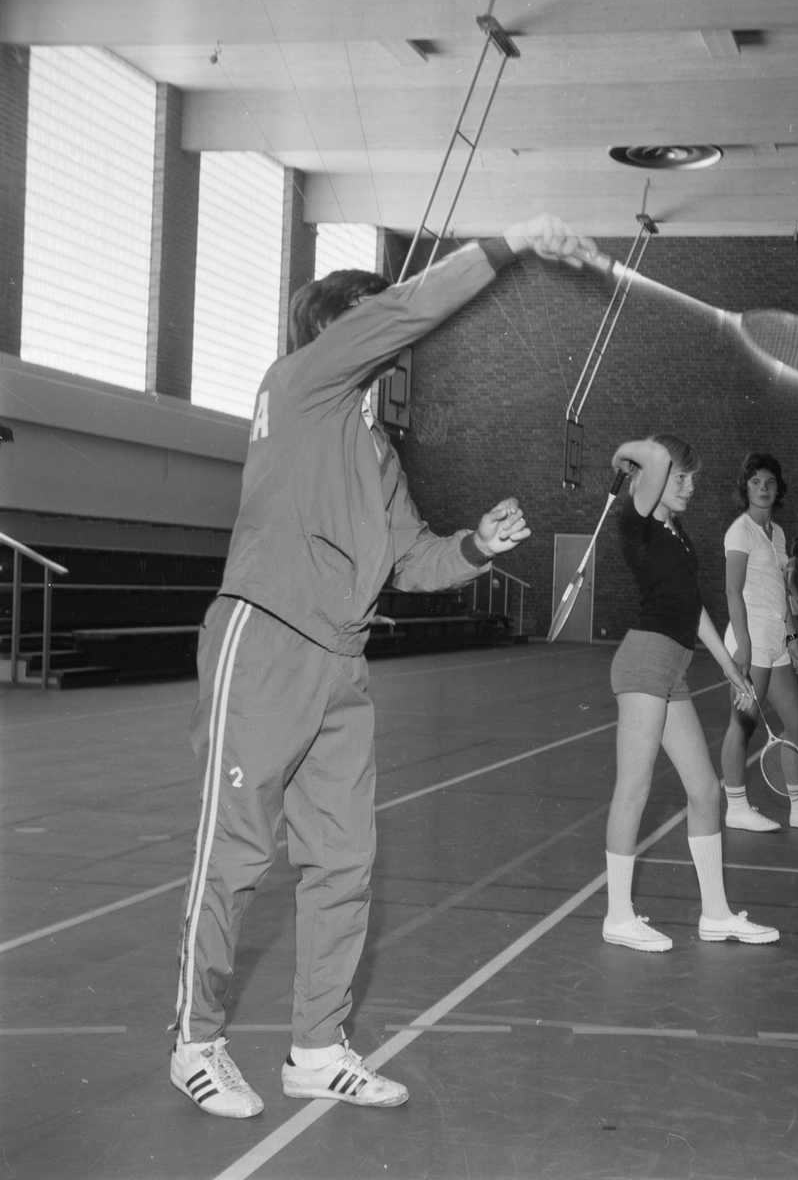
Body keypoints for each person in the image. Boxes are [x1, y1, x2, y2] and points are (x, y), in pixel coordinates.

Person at [170, 215, 597, 1119]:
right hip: (269, 640)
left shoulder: (375, 451)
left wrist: (477, 545)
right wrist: (511, 241)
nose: (390, 339)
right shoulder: (300, 384)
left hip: (342, 662)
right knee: (236, 853)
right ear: (335, 332)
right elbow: (408, 310)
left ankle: (317, 1049)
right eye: (372, 320)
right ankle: (196, 1040)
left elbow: (413, 560)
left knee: (343, 862)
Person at [603, 435, 780, 952]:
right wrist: (625, 454)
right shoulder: (634, 521)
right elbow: (653, 457)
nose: (690, 486)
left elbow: (691, 606)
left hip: (673, 667)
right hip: (643, 664)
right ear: (650, 479)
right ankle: (618, 915)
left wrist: (729, 667)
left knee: (705, 792)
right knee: (633, 789)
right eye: (681, 477)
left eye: (693, 478)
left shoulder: (675, 533)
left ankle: (716, 914)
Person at [718, 453, 798, 832]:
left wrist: (792, 639)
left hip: (774, 638)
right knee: (743, 723)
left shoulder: (776, 534)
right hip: (750, 637)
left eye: (770, 483)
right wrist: (743, 645)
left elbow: (778, 591)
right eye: (755, 482)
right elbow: (732, 591)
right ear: (746, 487)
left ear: (779, 490)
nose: (763, 488)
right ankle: (736, 807)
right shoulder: (740, 531)